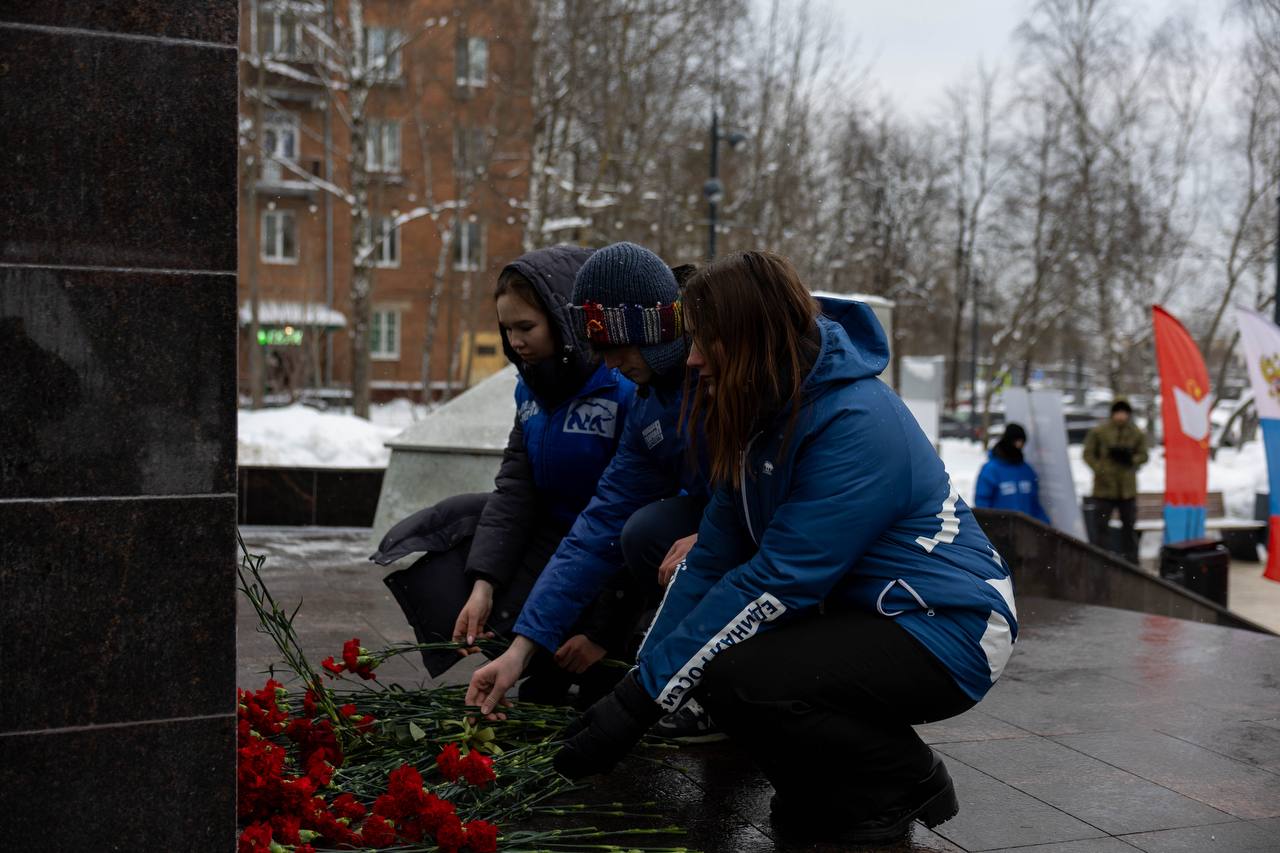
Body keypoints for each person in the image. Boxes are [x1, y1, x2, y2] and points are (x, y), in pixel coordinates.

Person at [536, 251, 1018, 846]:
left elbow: (775, 580)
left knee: (746, 675)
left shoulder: (854, 422)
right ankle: (825, 792)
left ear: (749, 340)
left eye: (704, 342)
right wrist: (638, 686)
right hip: (871, 611)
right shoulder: (763, 413)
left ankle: (896, 784)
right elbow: (710, 558)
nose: (690, 359)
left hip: (950, 626)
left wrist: (637, 704)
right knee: (718, 669)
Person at [465, 242, 718, 738]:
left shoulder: (721, 380)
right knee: (641, 531)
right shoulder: (650, 402)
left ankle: (727, 687)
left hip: (819, 552)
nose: (605, 362)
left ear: (649, 331)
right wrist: (522, 649)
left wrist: (711, 534)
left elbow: (769, 493)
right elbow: (600, 522)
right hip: (731, 526)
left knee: (657, 532)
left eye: (612, 345)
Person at [370, 245, 636, 704]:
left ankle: (612, 653)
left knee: (600, 691)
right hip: (551, 536)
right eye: (507, 328)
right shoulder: (528, 391)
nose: (515, 341)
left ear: (566, 321)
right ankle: (530, 650)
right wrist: (483, 585)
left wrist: (602, 633)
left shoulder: (623, 387)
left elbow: (628, 515)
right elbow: (515, 490)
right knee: (466, 523)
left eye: (526, 327)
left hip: (615, 552)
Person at [1083, 399, 1148, 563]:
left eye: (1124, 412)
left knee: (1129, 528)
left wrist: (1131, 459)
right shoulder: (1099, 432)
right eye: (1118, 412)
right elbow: (1088, 454)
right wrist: (1101, 469)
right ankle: (1101, 561)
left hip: (1126, 490)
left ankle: (1131, 563)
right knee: (1101, 528)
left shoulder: (1136, 433)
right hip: (1104, 488)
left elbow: (1144, 455)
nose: (1121, 416)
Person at [974, 423, 1051, 523]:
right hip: (999, 532)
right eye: (1016, 442)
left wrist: (1046, 527)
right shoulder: (991, 470)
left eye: (1022, 443)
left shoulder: (1027, 471)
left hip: (1024, 531)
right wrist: (989, 527)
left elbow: (1034, 504)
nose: (1019, 446)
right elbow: (982, 503)